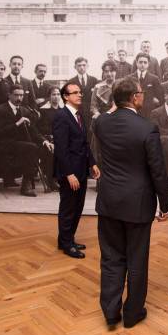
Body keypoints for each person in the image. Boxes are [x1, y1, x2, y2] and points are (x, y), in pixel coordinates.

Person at [94, 77, 168, 329]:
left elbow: (107, 115)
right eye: (141, 93)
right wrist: (165, 203)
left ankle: (110, 312)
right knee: (137, 259)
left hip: (109, 201)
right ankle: (133, 313)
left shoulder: (101, 123)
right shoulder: (147, 128)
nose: (144, 96)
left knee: (111, 258)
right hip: (137, 203)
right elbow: (157, 171)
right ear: (135, 98)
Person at [52, 82, 100, 258]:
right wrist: (69, 174)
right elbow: (61, 149)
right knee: (68, 208)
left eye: (80, 92)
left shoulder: (78, 115)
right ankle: (66, 245)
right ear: (66, 96)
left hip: (81, 169)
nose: (80, 95)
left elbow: (84, 143)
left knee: (77, 207)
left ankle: (67, 239)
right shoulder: (61, 116)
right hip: (70, 172)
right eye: (75, 93)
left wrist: (92, 163)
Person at [0, 85, 53, 197]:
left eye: (21, 95)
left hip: (22, 145)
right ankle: (26, 185)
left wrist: (45, 141)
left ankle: (51, 181)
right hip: (4, 144)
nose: (19, 98)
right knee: (30, 147)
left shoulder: (25, 110)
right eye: (16, 95)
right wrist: (17, 123)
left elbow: (34, 131)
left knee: (46, 147)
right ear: (9, 95)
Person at [38, 86, 63, 192]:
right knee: (52, 151)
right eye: (53, 94)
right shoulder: (43, 110)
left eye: (58, 94)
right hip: (47, 140)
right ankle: (51, 180)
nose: (56, 97)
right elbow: (39, 129)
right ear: (49, 97)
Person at [68, 57, 99, 132]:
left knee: (91, 133)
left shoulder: (94, 80)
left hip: (91, 112)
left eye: (84, 65)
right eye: (79, 65)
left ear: (87, 66)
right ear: (75, 67)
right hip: (78, 112)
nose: (82, 67)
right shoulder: (71, 81)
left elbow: (97, 98)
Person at [130, 52, 162, 118]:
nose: (142, 64)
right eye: (140, 62)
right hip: (133, 111)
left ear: (148, 64)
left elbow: (160, 97)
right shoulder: (129, 78)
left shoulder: (154, 79)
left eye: (145, 62)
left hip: (149, 112)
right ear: (136, 63)